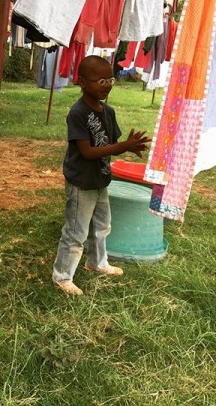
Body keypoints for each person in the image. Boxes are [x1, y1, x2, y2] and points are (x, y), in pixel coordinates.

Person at [52, 55, 151, 295]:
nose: (107, 85)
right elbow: (86, 152)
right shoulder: (77, 113)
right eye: (100, 81)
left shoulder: (109, 111)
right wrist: (123, 147)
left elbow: (112, 142)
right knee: (76, 231)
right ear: (83, 82)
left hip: (100, 179)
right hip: (81, 182)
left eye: (110, 80)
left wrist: (128, 144)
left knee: (101, 226)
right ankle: (62, 276)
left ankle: (97, 262)